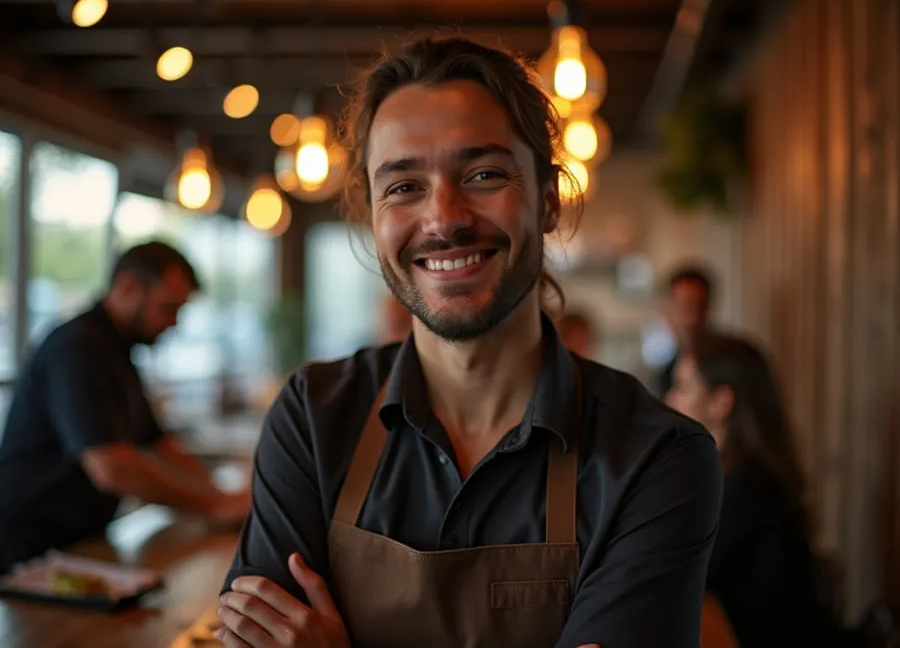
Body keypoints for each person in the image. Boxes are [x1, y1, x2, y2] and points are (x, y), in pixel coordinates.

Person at [217, 36, 722, 648]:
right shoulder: (313, 417)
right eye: (403, 186)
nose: (444, 218)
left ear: (548, 202)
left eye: (483, 174)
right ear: (373, 217)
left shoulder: (656, 457)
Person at [0, 240, 250, 573]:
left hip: (77, 544)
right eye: (168, 308)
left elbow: (159, 445)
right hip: (27, 549)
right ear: (128, 286)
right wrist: (216, 506)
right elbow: (111, 468)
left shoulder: (117, 352)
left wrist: (223, 496)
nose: (174, 323)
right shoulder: (78, 347)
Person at [665, 335, 847, 648]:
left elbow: (678, 577)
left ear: (722, 402)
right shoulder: (739, 474)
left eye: (682, 387)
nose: (670, 400)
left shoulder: (748, 486)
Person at [656, 265, 717, 396]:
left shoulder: (735, 362)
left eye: (700, 306)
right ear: (667, 310)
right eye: (685, 307)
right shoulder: (665, 374)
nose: (693, 318)